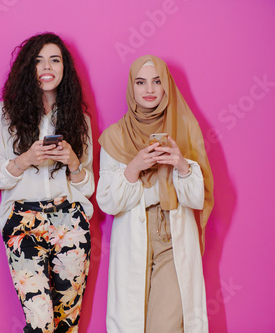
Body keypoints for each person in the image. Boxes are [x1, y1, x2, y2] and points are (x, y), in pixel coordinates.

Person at [0, 32, 94, 332]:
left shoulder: (79, 119)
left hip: (69, 218)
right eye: (39, 60)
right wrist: (26, 159)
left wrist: (72, 160)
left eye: (55, 60)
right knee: (40, 321)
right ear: (28, 68)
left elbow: (88, 186)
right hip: (23, 218)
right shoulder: (6, 113)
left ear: (64, 68)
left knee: (67, 322)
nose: (47, 66)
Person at [96, 55, 214, 332]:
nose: (149, 89)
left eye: (157, 81)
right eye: (141, 82)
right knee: (133, 324)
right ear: (132, 87)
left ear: (165, 88)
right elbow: (108, 203)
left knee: (166, 325)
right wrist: (135, 166)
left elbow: (197, 198)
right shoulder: (115, 137)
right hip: (133, 237)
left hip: (172, 238)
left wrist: (181, 165)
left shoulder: (183, 129)